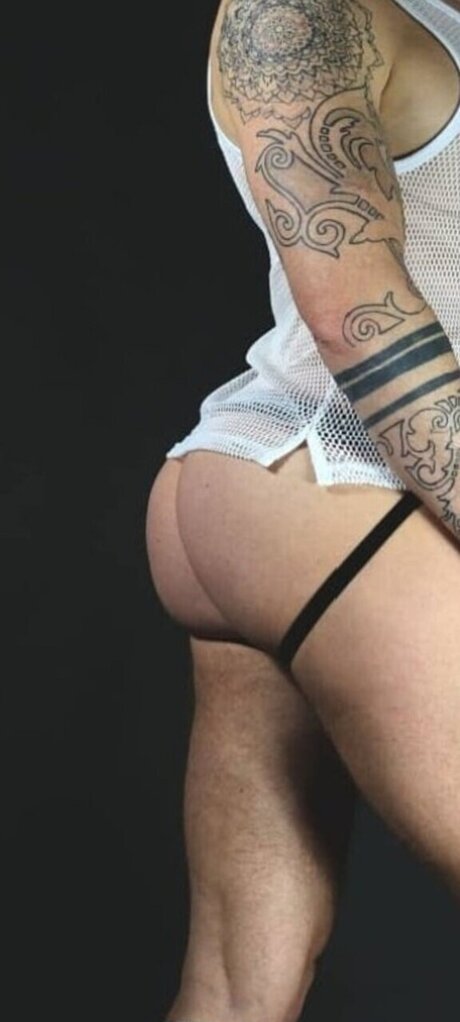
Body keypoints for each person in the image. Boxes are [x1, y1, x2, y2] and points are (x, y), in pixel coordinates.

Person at [145, 1, 460, 1020]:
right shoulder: (300, 11)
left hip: (278, 495)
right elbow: (360, 323)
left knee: (239, 987)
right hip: (345, 483)